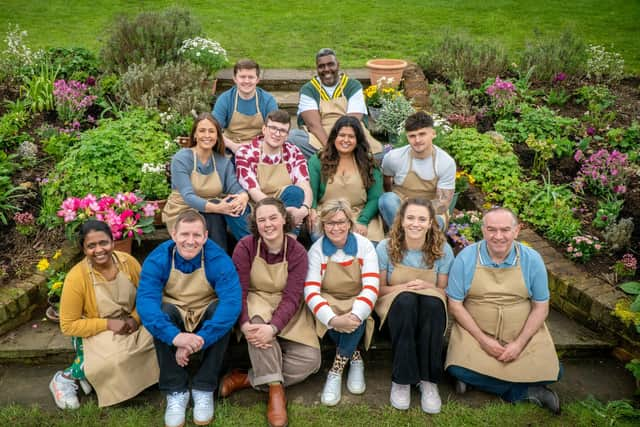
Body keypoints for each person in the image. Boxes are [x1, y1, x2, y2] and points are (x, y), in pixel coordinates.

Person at [445, 207, 562, 414]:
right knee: (455, 367)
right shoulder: (465, 258)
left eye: (505, 230)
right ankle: (524, 392)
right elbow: (455, 305)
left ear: (517, 231)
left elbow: (541, 307)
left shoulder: (532, 259)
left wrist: (518, 344)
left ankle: (477, 380)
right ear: (483, 231)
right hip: (476, 333)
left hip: (520, 333)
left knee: (555, 371)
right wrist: (483, 340)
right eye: (491, 230)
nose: (498, 236)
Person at [137, 210, 242, 427]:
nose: (190, 241)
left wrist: (198, 340)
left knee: (220, 315)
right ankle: (176, 390)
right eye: (185, 234)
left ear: (205, 236)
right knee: (161, 315)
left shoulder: (218, 259)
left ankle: (204, 386)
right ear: (174, 234)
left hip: (205, 310)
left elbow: (232, 303)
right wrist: (175, 338)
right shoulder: (157, 259)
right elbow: (146, 303)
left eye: (196, 235)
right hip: (174, 309)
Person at [222, 198, 321, 427]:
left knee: (311, 360)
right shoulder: (245, 246)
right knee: (257, 325)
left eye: (273, 218)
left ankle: (248, 378)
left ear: (284, 220)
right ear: (255, 224)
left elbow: (293, 296)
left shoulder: (297, 252)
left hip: (288, 308)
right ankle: (276, 393)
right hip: (256, 300)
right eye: (262, 219)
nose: (268, 224)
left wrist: (274, 327)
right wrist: (245, 323)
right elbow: (240, 290)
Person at [49, 220, 158, 410]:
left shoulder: (128, 262)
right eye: (91, 246)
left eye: (103, 243)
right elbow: (68, 325)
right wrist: (109, 324)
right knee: (116, 358)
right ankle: (67, 377)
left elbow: (147, 297)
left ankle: (98, 377)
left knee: (161, 338)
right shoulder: (76, 277)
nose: (99, 250)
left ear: (113, 242)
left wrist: (135, 318)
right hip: (95, 329)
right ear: (83, 249)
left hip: (131, 323)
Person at [375, 199, 454, 413]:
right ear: (401, 221)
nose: (415, 224)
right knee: (407, 300)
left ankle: (428, 381)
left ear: (430, 223)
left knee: (431, 302)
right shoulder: (385, 247)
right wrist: (404, 287)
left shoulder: (443, 250)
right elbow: (379, 290)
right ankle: (402, 380)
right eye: (410, 218)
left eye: (422, 219)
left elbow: (444, 292)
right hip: (396, 309)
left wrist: (428, 285)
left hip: (429, 311)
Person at [304, 199, 379, 406]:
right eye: (330, 223)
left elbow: (371, 286)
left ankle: (336, 370)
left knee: (358, 313)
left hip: (356, 298)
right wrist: (333, 319)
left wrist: (355, 315)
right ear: (323, 225)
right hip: (329, 300)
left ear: (349, 223)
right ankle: (354, 358)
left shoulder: (364, 247)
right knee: (329, 314)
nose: (335, 228)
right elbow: (311, 290)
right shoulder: (317, 251)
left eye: (340, 222)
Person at [162, 112, 250, 252]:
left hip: (212, 209)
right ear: (195, 135)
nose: (207, 135)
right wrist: (218, 207)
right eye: (202, 131)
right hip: (182, 210)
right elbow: (188, 196)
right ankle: (220, 261)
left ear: (217, 136)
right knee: (215, 212)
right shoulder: (182, 158)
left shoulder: (222, 161)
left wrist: (243, 196)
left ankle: (251, 245)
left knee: (236, 205)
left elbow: (235, 188)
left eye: (211, 131)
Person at [289, 48, 383, 159]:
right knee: (292, 137)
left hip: (350, 135)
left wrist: (344, 146)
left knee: (378, 154)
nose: (326, 69)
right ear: (317, 68)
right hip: (321, 138)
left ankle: (328, 161)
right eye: (321, 66)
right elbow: (314, 125)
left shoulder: (353, 86)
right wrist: (330, 149)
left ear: (338, 65)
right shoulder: (308, 89)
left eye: (330, 64)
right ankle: (346, 160)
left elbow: (353, 121)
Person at [308, 116, 384, 242]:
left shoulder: (368, 162)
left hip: (358, 214)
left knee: (369, 246)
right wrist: (313, 210)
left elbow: (375, 197)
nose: (346, 140)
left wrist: (363, 221)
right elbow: (311, 191)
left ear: (358, 140)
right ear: (334, 137)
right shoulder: (318, 160)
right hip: (326, 215)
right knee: (321, 239)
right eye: (342, 135)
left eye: (351, 136)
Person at [235, 109, 312, 232]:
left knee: (295, 192)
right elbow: (253, 190)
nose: (277, 134)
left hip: (286, 204)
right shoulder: (246, 152)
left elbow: (305, 186)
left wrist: (304, 209)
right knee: (234, 207)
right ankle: (255, 245)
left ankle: (288, 241)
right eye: (273, 128)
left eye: (282, 131)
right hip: (256, 205)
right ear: (264, 129)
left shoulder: (293, 151)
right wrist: (278, 212)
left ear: (287, 135)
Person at [378, 111, 456, 230]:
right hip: (401, 207)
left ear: (433, 134)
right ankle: (400, 237)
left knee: (437, 223)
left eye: (422, 134)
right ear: (407, 136)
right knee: (387, 200)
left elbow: (443, 204)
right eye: (412, 136)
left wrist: (416, 212)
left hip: (430, 210)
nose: (417, 140)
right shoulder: (394, 157)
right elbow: (386, 184)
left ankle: (404, 240)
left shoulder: (445, 162)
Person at [213, 59, 278, 154]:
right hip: (230, 147)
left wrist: (258, 146)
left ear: (257, 79)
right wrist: (233, 146)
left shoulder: (268, 101)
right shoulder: (225, 99)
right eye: (242, 77)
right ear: (235, 79)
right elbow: (213, 130)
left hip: (261, 147)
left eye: (251, 77)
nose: (247, 81)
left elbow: (275, 130)